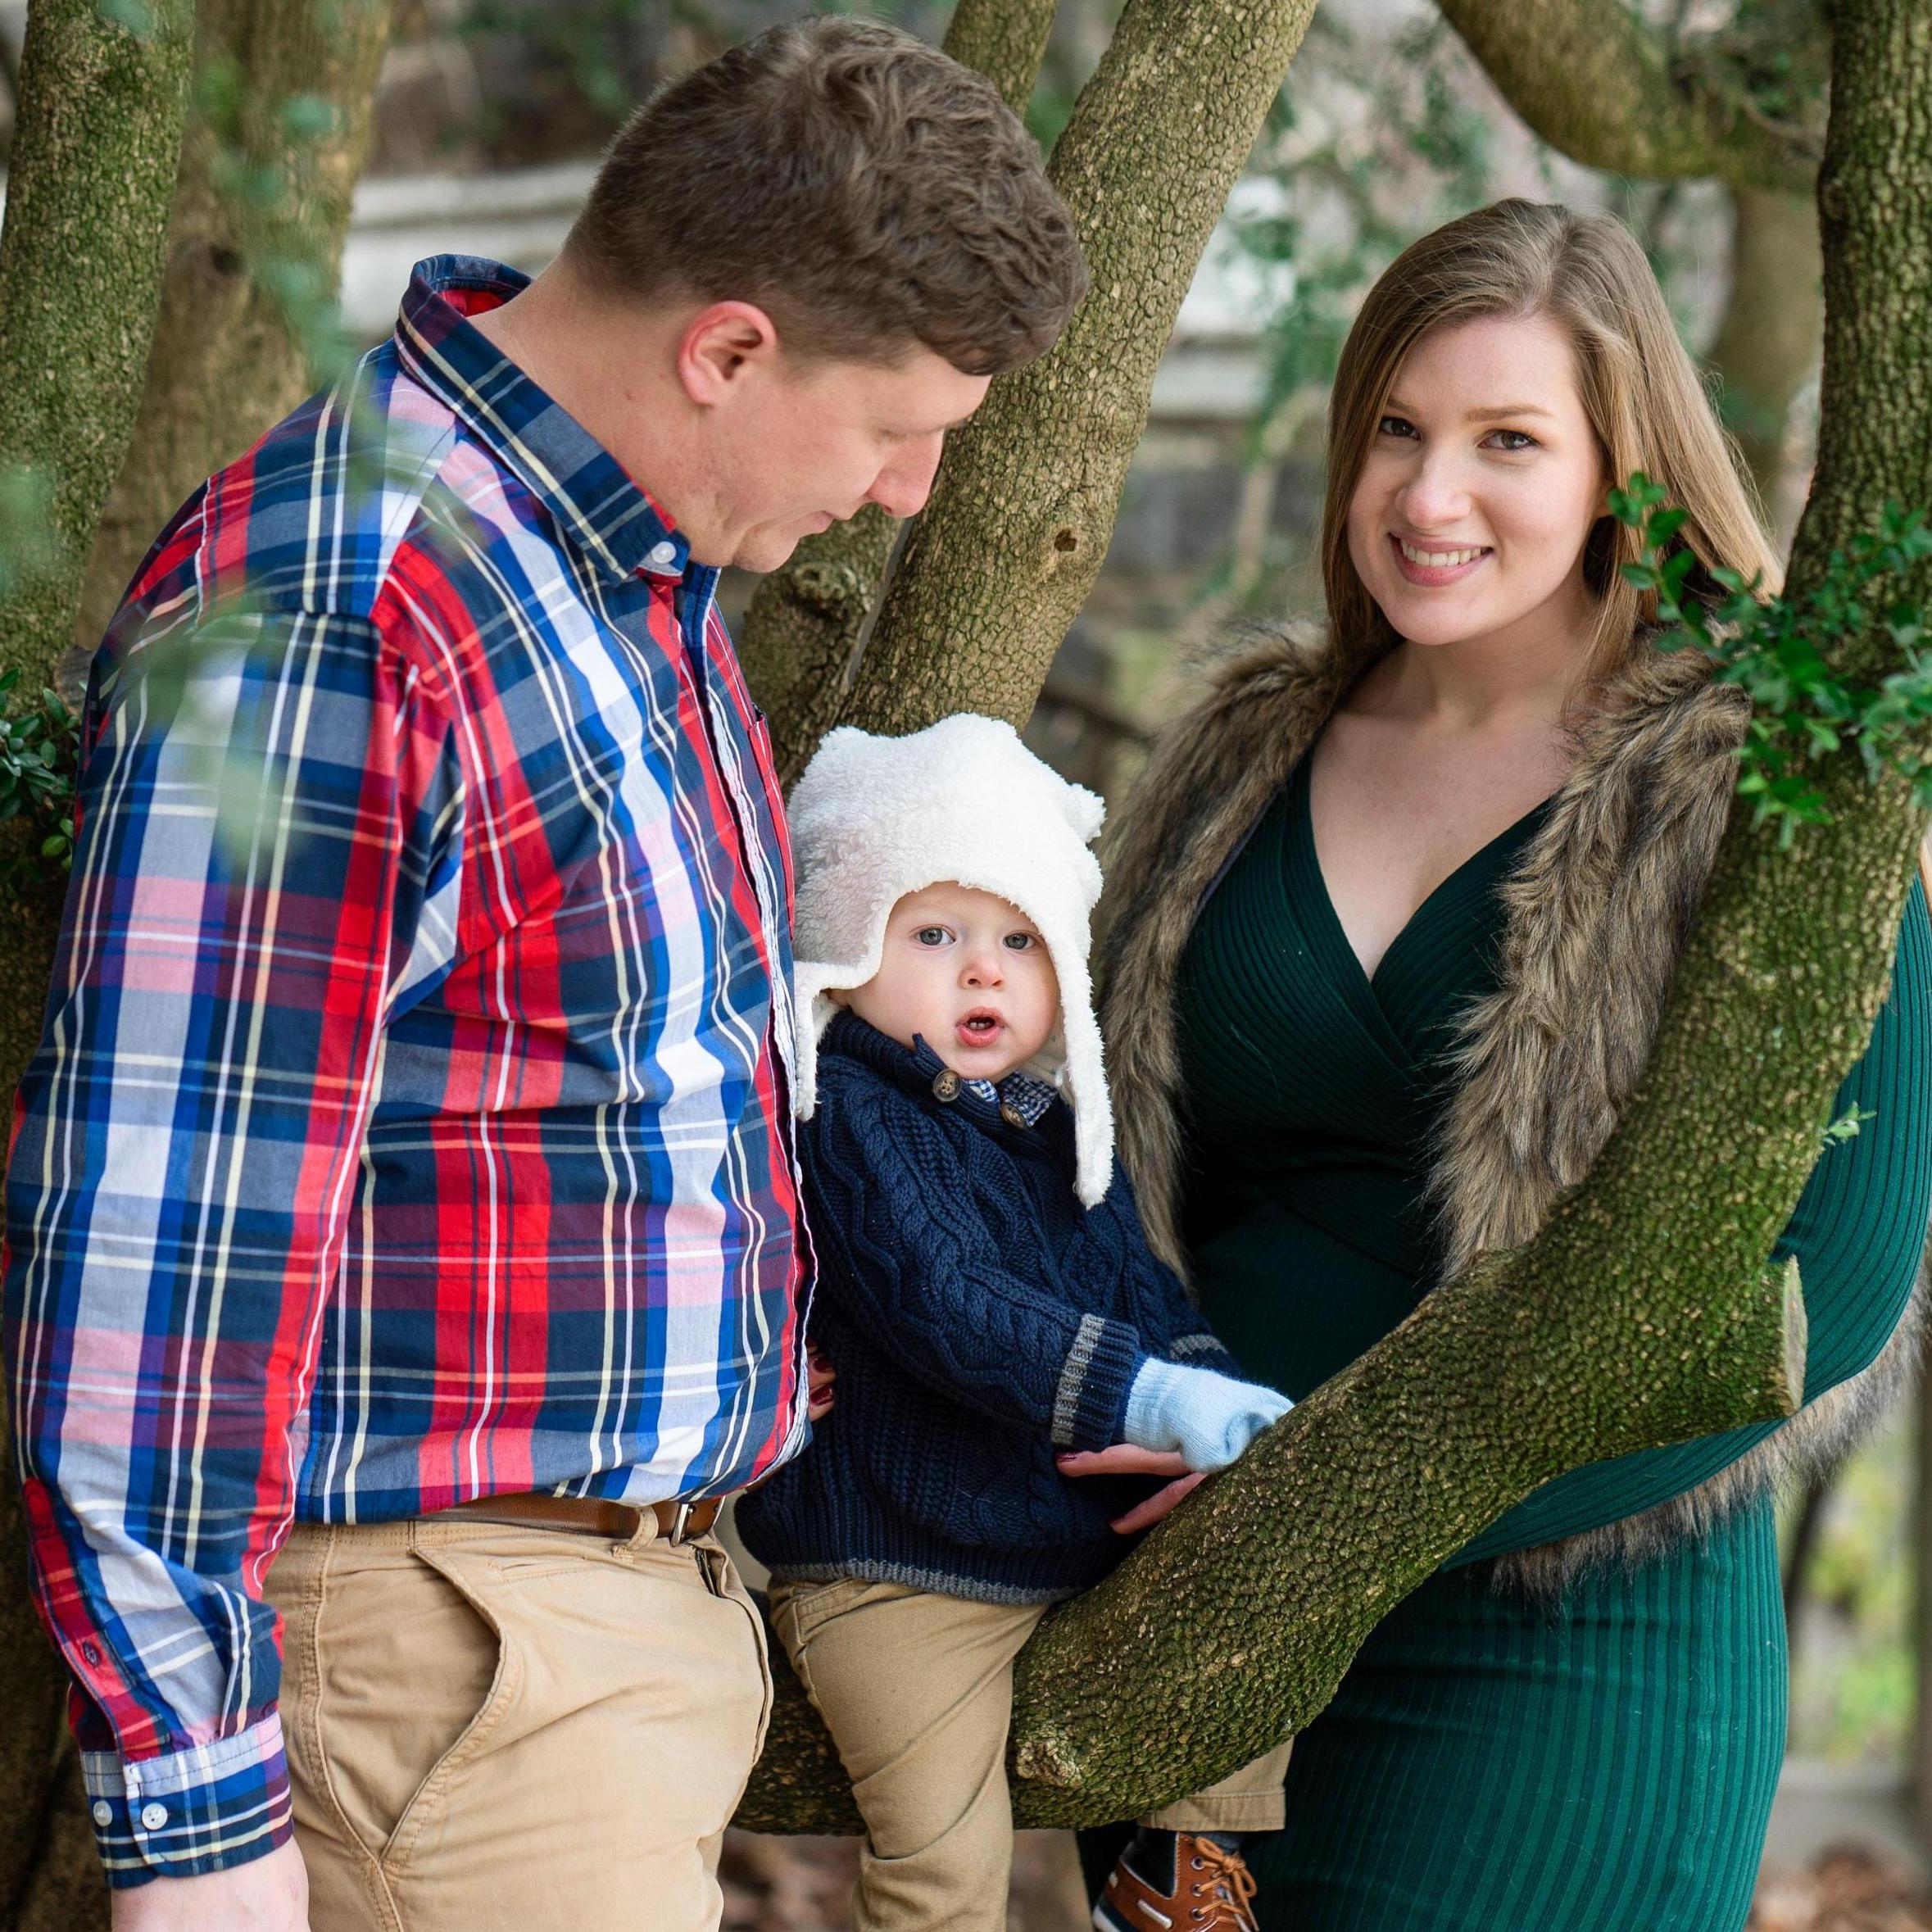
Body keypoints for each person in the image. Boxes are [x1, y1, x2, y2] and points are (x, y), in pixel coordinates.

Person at [0, 20, 1086, 1932]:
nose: (914, 491)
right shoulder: (351, 612)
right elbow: (162, 1234)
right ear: (727, 350)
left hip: (580, 1644)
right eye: (893, 425)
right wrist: (196, 1810)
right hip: (445, 1665)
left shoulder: (609, 570)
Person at [1086, 197, 1932, 1930]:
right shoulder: (1245, 753)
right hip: (1187, 1647)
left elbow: (1839, 1276)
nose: (1428, 494)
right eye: (1397, 429)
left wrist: (1327, 1512)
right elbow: (1099, 1160)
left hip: (1563, 1639)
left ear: (1626, 469)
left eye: (1507, 441)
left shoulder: (1762, 783)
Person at [733, 714, 1294, 1932]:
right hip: (897, 1575)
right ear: (845, 946)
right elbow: (947, 1302)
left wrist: (1215, 1398)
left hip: (1065, 1549)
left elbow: (1143, 1293)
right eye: (935, 933)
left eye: (1019, 938)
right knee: (943, 1862)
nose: (983, 970)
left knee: (1258, 1568)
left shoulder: (1056, 1129)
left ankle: (1180, 1862)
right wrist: (1153, 1397)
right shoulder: (849, 1111)